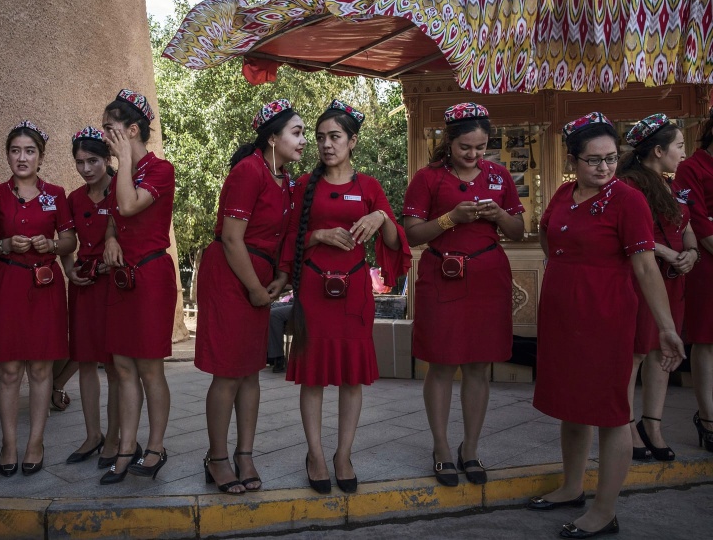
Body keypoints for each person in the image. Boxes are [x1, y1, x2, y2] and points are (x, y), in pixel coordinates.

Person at [529, 113, 685, 539]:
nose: (603, 168)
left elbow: (645, 267)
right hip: (563, 317)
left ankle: (605, 510)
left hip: (607, 316)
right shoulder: (563, 194)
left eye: (611, 159)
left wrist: (666, 327)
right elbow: (548, 235)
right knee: (571, 406)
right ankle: (572, 487)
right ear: (573, 159)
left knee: (612, 413)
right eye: (593, 160)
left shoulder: (628, 200)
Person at [282, 100, 410, 494]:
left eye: (334, 137)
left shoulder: (369, 187)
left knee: (352, 377)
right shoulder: (304, 185)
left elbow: (396, 243)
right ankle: (316, 455)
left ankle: (343, 454)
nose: (325, 144)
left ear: (352, 141)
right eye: (319, 137)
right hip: (313, 291)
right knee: (313, 376)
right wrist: (317, 235)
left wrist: (382, 217)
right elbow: (285, 241)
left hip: (354, 292)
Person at [402, 103, 524, 487]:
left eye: (481, 147)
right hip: (443, 275)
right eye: (465, 147)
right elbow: (412, 233)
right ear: (448, 141)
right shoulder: (427, 178)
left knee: (478, 366)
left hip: (488, 278)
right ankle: (441, 448)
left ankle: (470, 448)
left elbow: (518, 230)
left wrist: (498, 216)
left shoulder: (499, 174)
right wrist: (450, 218)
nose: (474, 155)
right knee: (440, 364)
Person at [195, 98, 304, 493]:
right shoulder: (248, 171)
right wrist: (257, 289)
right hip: (230, 274)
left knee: (251, 370)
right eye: (297, 132)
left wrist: (281, 276)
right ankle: (217, 457)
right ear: (272, 138)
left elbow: (284, 235)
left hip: (259, 274)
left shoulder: (286, 179)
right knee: (228, 372)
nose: (303, 140)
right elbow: (230, 237)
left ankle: (245, 454)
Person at [0, 121, 75, 477]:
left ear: (40, 156)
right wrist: (4, 245)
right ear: (7, 154)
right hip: (7, 282)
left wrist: (52, 245)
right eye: (15, 150)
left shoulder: (56, 193)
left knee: (40, 369)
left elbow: (69, 241)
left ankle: (35, 441)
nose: (21, 158)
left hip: (44, 283)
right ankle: (9, 442)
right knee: (8, 370)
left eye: (29, 151)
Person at [100, 89, 177, 484]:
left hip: (149, 278)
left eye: (111, 131)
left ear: (132, 130)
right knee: (123, 366)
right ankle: (126, 447)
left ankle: (156, 446)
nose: (106, 138)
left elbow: (128, 205)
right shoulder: (123, 173)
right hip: (122, 278)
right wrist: (111, 237)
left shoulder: (160, 169)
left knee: (149, 369)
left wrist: (125, 161)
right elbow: (116, 217)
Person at [618, 114, 697, 462]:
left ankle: (654, 424)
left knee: (663, 354)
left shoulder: (673, 186)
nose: (683, 153)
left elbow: (687, 225)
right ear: (659, 150)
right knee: (636, 353)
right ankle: (628, 425)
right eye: (679, 146)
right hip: (643, 278)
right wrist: (666, 252)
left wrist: (691, 252)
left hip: (674, 279)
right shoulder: (629, 186)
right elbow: (629, 235)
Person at [60, 126, 122, 467]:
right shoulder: (74, 199)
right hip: (83, 286)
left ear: (108, 159)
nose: (86, 169)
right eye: (79, 162)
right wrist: (69, 267)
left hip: (114, 286)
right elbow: (67, 241)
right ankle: (92, 435)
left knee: (113, 365)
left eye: (93, 161)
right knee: (85, 362)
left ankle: (114, 437)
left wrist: (107, 266)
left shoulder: (122, 192)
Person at [676, 107, 713, 454]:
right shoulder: (692, 167)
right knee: (707, 340)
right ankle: (708, 418)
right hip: (707, 264)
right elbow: (698, 222)